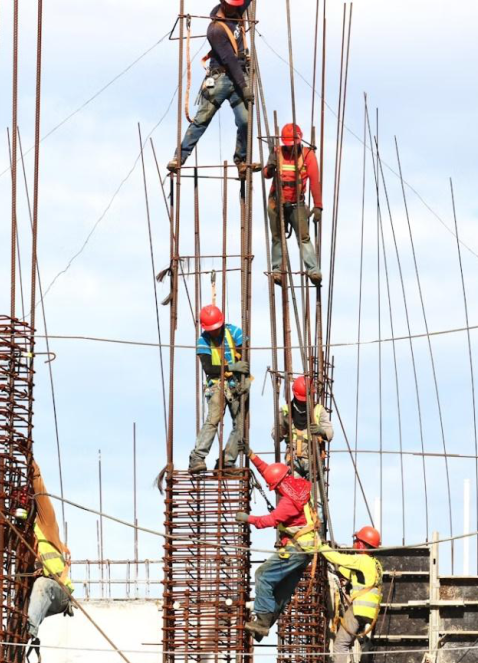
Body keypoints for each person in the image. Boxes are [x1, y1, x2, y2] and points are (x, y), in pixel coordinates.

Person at [238, 452, 319, 639]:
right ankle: (264, 624)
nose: (274, 491)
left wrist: (247, 518)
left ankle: (263, 621)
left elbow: (270, 520)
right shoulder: (298, 486)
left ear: (278, 484)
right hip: (305, 551)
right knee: (281, 591)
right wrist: (251, 455)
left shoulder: (289, 502)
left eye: (274, 488)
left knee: (263, 575)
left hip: (296, 549)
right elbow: (269, 471)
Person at [167, 0, 254, 174]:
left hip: (239, 76)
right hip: (221, 78)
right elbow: (230, 60)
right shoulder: (215, 30)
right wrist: (244, 86)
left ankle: (241, 160)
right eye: (231, 5)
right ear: (223, 3)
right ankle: (180, 157)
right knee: (202, 120)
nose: (235, 8)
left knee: (245, 121)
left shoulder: (236, 10)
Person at [317, 527, 383, 663]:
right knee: (344, 644)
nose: (354, 544)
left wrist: (320, 546)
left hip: (359, 609)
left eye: (356, 541)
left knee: (341, 645)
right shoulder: (375, 564)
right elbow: (352, 574)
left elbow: (339, 558)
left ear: (361, 544)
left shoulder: (361, 559)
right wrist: (337, 571)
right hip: (368, 612)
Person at [262, 123, 323, 286]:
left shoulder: (308, 155)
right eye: (288, 145)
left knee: (304, 238)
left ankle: (313, 270)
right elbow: (266, 175)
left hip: (297, 204)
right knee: (277, 238)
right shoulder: (277, 153)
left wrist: (318, 206)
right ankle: (277, 271)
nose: (291, 148)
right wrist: (270, 166)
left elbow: (315, 181)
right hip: (277, 203)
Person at [190, 304, 248, 472]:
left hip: (235, 385)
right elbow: (208, 368)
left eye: (216, 328)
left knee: (241, 424)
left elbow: (245, 351)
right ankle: (197, 458)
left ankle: (227, 461)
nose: (214, 332)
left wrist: (245, 375)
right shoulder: (203, 341)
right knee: (213, 420)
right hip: (216, 385)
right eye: (211, 329)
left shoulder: (234, 332)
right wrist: (232, 367)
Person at [25, 461, 74, 660]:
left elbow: (40, 494)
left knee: (42, 584)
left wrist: (32, 467)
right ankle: (23, 632)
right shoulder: (21, 537)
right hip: (36, 598)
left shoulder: (45, 525)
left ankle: (30, 628)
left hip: (59, 592)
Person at [272, 375, 333, 478]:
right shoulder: (285, 411)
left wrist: (321, 431)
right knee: (294, 491)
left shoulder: (318, 410)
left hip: (314, 461)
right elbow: (276, 436)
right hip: (293, 461)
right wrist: (283, 426)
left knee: (315, 492)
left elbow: (330, 433)